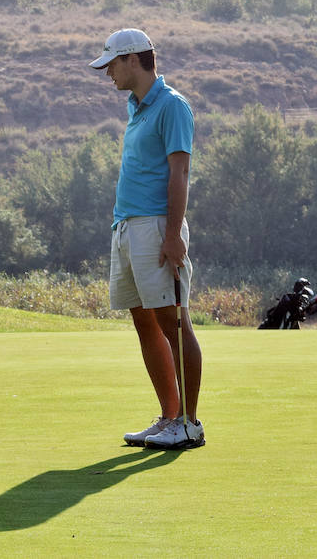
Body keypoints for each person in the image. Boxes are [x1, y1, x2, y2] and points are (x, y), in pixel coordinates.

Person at [90, 28, 204, 450]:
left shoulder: (172, 105)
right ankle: (169, 417)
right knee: (144, 321)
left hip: (157, 226)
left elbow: (180, 172)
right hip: (127, 226)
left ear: (133, 60)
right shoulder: (136, 108)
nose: (108, 75)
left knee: (172, 321)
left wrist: (173, 234)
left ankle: (189, 423)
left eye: (111, 65)